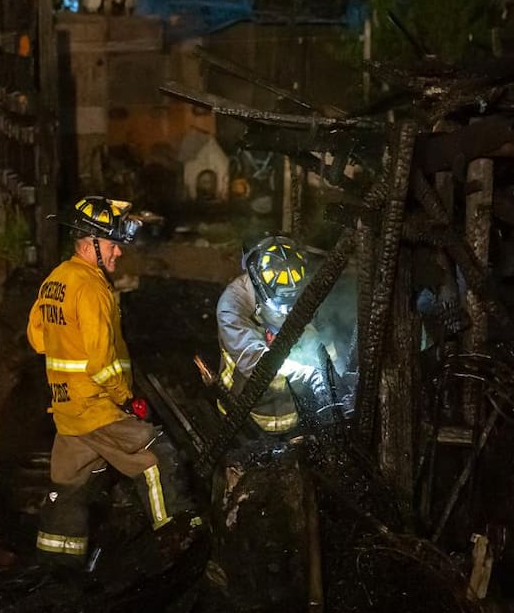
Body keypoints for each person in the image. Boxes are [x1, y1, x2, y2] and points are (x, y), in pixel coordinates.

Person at [26, 196, 201, 570]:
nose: (118, 253)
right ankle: (176, 544)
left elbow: (38, 339)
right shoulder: (92, 288)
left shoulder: (55, 280)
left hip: (67, 407)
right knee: (157, 458)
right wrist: (124, 398)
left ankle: (56, 566)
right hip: (98, 405)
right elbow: (101, 358)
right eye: (111, 244)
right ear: (90, 244)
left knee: (70, 485)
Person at [216, 235, 326, 435]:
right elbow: (255, 364)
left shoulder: (294, 285)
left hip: (292, 415)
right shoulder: (231, 307)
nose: (285, 310)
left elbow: (315, 337)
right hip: (243, 415)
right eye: (279, 303)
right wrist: (307, 371)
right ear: (258, 283)